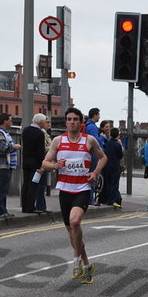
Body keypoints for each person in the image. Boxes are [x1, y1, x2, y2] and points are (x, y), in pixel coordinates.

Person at [40, 107, 106, 283]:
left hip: (82, 188)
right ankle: (86, 266)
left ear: (81, 121)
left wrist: (95, 173)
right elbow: (45, 162)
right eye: (69, 119)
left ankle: (76, 259)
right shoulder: (58, 141)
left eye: (75, 119)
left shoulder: (89, 140)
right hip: (65, 189)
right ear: (65, 121)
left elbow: (103, 158)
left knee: (75, 222)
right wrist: (55, 166)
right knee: (73, 232)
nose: (72, 122)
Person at [0, 113, 21, 217]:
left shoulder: (4, 132)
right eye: (10, 120)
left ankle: (4, 210)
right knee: (1, 189)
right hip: (1, 165)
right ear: (5, 121)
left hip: (6, 165)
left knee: (4, 189)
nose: (12, 122)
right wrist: (14, 146)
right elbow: (2, 147)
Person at [20, 113, 48, 213]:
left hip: (25, 160)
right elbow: (40, 151)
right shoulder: (40, 133)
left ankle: (24, 206)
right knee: (34, 184)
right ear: (40, 122)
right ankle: (30, 207)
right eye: (44, 122)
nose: (45, 123)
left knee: (26, 184)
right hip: (35, 162)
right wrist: (41, 165)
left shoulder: (25, 130)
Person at [99, 120, 123, 208]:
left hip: (106, 165)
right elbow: (120, 155)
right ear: (118, 135)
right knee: (114, 184)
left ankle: (106, 198)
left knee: (108, 183)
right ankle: (112, 201)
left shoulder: (107, 143)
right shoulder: (117, 145)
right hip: (115, 166)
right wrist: (120, 145)